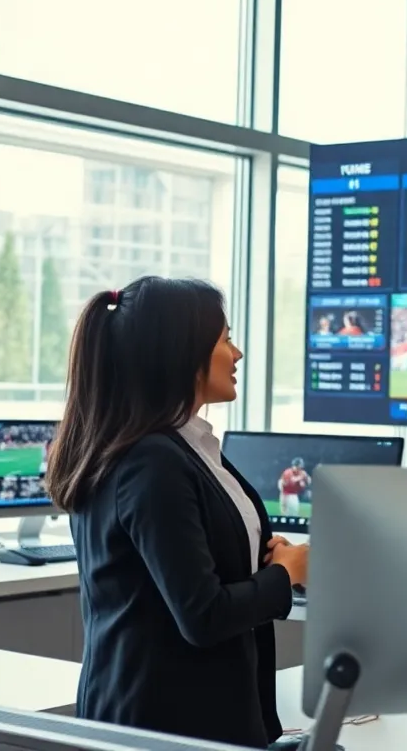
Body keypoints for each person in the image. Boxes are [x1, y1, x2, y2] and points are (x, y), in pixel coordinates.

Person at [45, 277, 310, 749]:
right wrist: (284, 576)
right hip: (162, 726)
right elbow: (203, 615)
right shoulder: (151, 461)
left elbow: (201, 567)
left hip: (196, 718)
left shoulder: (183, 448)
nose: (238, 353)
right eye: (226, 339)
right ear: (183, 353)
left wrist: (268, 558)